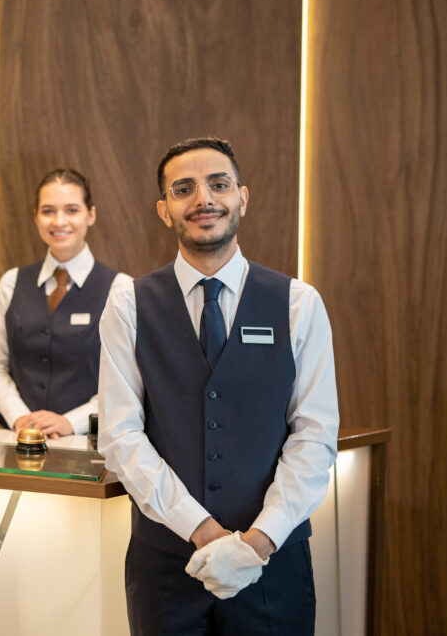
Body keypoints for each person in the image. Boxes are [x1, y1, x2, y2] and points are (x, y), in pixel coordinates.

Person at [98, 137, 339, 634]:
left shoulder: (299, 303)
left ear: (242, 197)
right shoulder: (128, 305)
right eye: (184, 189)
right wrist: (202, 531)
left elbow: (315, 435)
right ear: (165, 210)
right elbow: (121, 437)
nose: (204, 198)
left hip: (274, 567)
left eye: (219, 184)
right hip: (166, 565)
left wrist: (258, 542)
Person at [0, 168, 132, 437]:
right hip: (16, 440)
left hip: (89, 445)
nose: (59, 221)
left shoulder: (121, 289)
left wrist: (71, 422)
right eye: (48, 211)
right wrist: (21, 418)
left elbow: (126, 382)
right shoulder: (11, 282)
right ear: (36, 218)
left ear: (91, 215)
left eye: (72, 210)